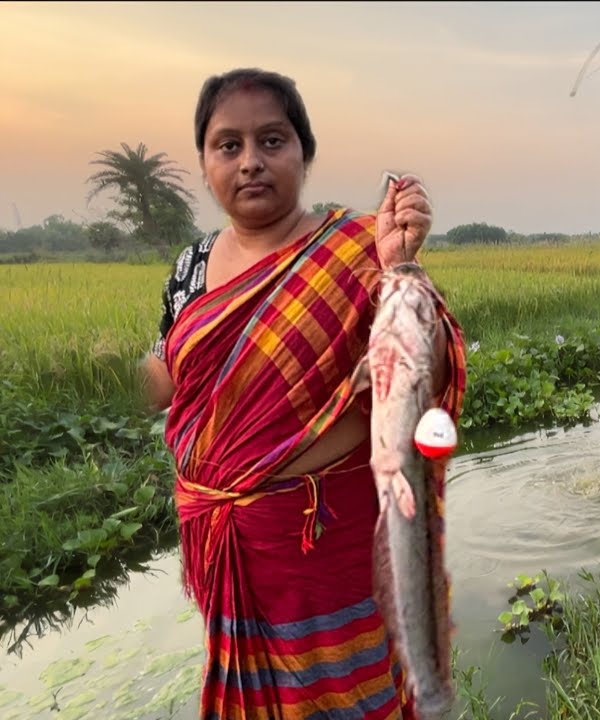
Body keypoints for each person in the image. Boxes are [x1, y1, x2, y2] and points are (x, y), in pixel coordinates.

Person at [138, 68, 467, 719]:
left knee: (355, 695)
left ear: (304, 153)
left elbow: (423, 373)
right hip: (231, 550)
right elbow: (168, 376)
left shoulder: (358, 247)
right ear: (205, 163)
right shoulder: (191, 268)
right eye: (228, 145)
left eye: (272, 140)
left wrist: (402, 264)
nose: (250, 161)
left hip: (327, 545)